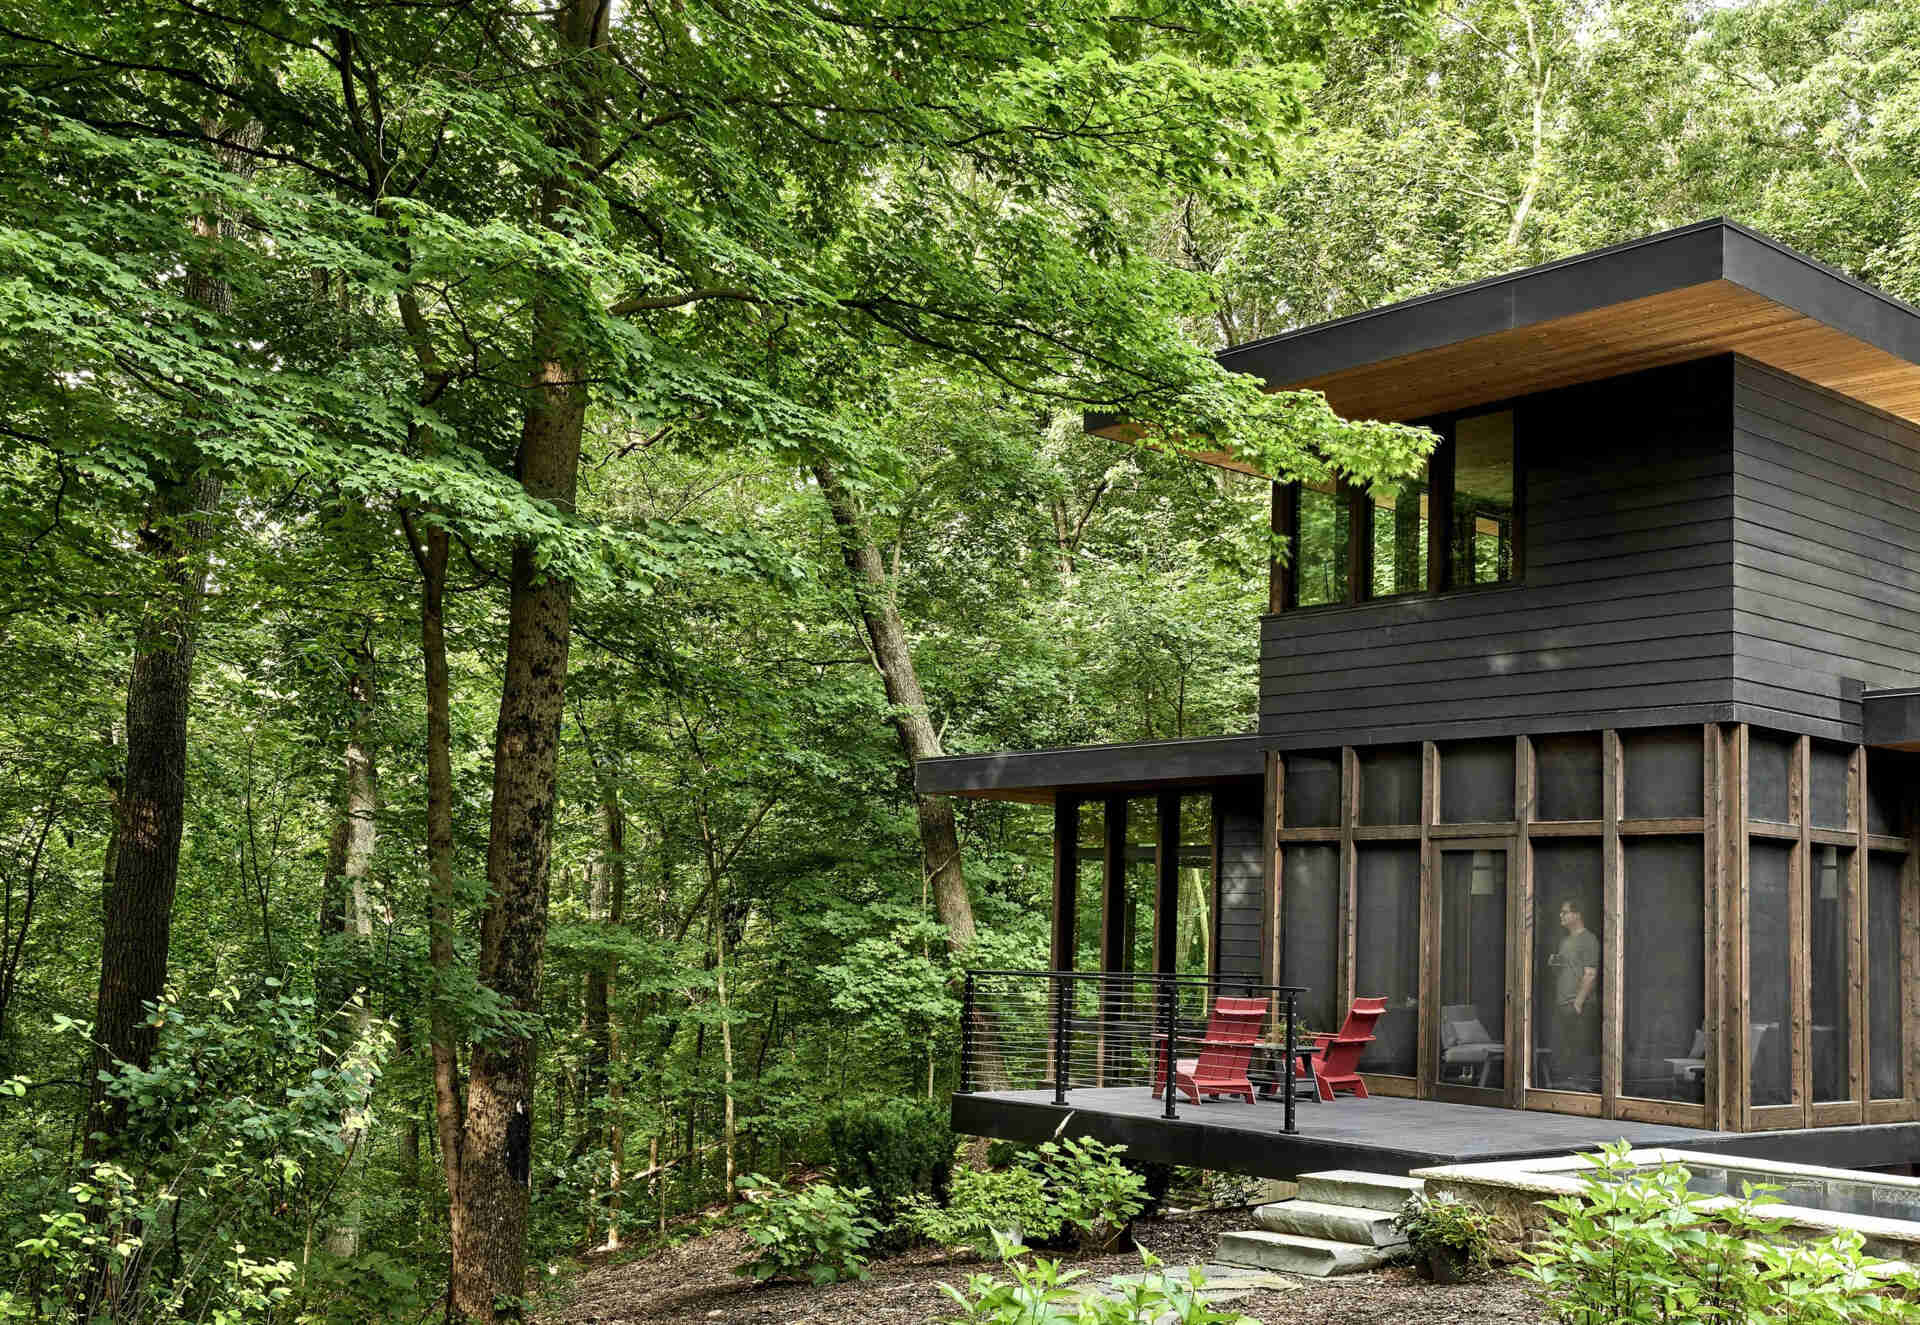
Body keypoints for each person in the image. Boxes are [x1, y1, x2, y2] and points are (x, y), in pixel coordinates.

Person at [1550, 898, 1601, 1091]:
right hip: (1563, 1002)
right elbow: (1567, 970)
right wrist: (1555, 965)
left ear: (1577, 915)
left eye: (1565, 912)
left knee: (1579, 1050)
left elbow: (1590, 973)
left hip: (1578, 1004)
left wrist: (1578, 1003)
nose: (1561, 915)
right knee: (1564, 1050)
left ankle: (1580, 1093)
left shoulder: (1588, 940)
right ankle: (1566, 1090)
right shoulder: (1565, 941)